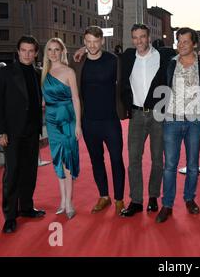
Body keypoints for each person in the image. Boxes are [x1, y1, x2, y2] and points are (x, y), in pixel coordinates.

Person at [155, 27, 200, 223]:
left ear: (194, 43)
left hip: (195, 120)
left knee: (192, 165)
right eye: (179, 41)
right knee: (170, 166)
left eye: (185, 41)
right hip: (171, 120)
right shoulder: (169, 62)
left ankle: (189, 199)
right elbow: (142, 49)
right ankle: (167, 204)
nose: (181, 45)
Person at [0, 36, 45, 234]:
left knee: (30, 172)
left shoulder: (38, 73)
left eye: (31, 51)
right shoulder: (5, 73)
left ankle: (27, 208)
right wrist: (0, 131)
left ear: (36, 53)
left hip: (32, 132)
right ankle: (10, 216)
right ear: (18, 51)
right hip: (12, 133)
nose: (27, 54)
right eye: (24, 50)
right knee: (12, 174)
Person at [119, 24, 175, 217]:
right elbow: (103, 55)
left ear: (149, 37)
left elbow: (186, 51)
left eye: (142, 37)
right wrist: (85, 48)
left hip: (158, 114)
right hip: (136, 115)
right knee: (134, 159)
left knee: (157, 159)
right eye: (135, 37)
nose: (139, 41)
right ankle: (136, 200)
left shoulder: (163, 56)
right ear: (132, 39)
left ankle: (153, 197)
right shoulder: (127, 57)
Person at [72, 26, 127, 216]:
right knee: (96, 160)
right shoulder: (79, 62)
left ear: (102, 41)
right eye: (88, 42)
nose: (92, 45)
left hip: (111, 121)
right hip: (89, 122)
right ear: (84, 42)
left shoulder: (114, 60)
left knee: (116, 160)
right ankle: (104, 196)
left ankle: (119, 199)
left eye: (96, 41)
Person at [41, 38, 81, 220]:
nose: (53, 53)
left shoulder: (69, 72)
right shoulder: (44, 72)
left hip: (67, 119)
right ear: (46, 52)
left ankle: (69, 202)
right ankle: (63, 200)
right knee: (57, 158)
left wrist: (78, 124)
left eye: (57, 49)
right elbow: (44, 100)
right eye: (50, 49)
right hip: (51, 119)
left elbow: (75, 99)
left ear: (62, 51)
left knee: (68, 160)